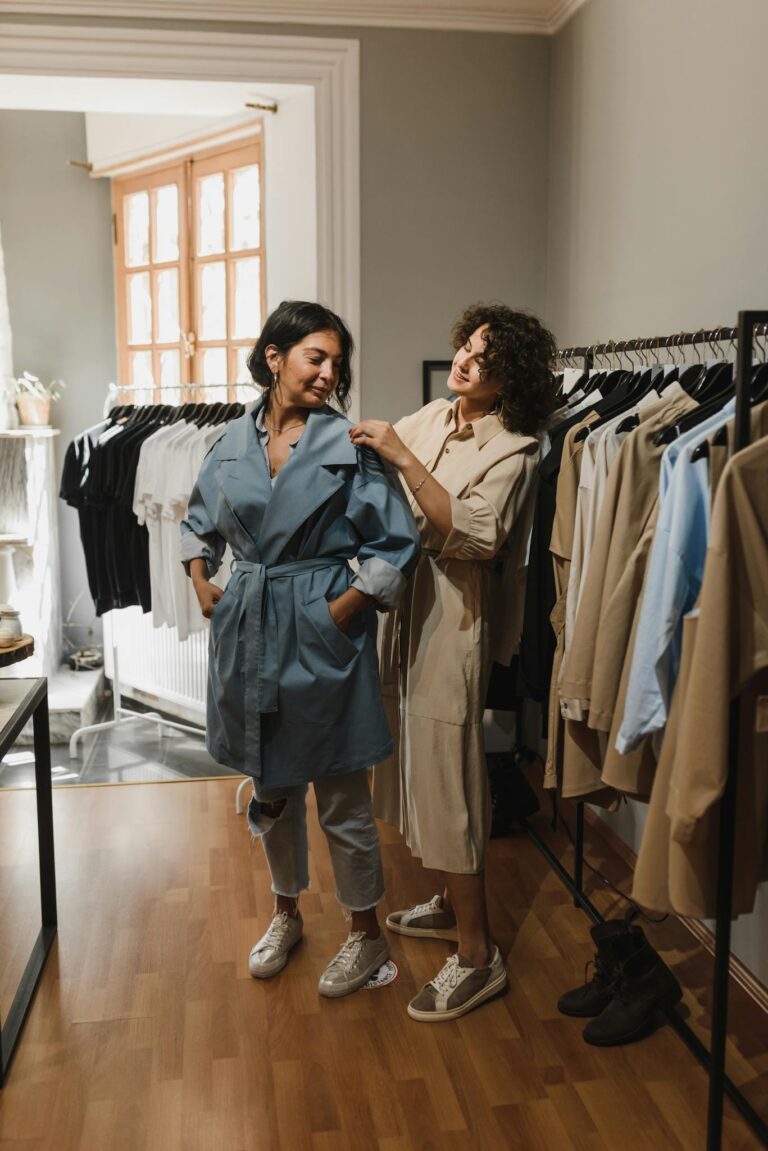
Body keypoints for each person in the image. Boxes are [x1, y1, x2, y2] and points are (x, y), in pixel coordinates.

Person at [180, 300, 420, 998]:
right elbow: (198, 522)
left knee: (341, 791)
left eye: (337, 363)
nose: (328, 374)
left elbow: (395, 544)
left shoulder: (350, 445)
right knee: (272, 785)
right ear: (275, 356)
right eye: (317, 357)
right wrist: (201, 580)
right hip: (249, 624)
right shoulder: (228, 442)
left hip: (321, 627)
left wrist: (339, 610)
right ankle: (285, 913)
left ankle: (366, 935)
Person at [350, 303, 558, 1021]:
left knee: (449, 780)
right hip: (404, 615)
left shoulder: (516, 450)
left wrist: (402, 459)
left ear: (510, 379)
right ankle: (448, 900)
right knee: (411, 764)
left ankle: (478, 953)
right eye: (466, 346)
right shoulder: (434, 418)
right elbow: (377, 473)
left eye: (485, 358)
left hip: (453, 621)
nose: (465, 360)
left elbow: (476, 536)